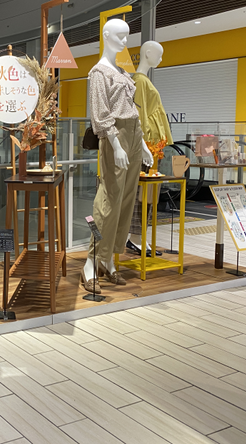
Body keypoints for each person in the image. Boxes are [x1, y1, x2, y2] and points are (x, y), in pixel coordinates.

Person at [82, 19, 153, 294]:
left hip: (133, 135)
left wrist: (142, 143)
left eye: (127, 36)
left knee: (126, 200)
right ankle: (91, 262)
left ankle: (109, 259)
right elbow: (100, 114)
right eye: (120, 36)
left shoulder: (122, 72)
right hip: (115, 137)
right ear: (106, 35)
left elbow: (132, 111)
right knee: (108, 200)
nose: (124, 41)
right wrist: (116, 143)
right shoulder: (99, 73)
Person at [127, 40, 174, 256]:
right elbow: (138, 116)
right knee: (142, 194)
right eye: (159, 54)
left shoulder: (143, 81)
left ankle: (138, 237)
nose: (161, 59)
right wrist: (144, 145)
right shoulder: (139, 81)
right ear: (147, 53)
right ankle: (135, 237)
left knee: (148, 195)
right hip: (147, 147)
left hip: (153, 147)